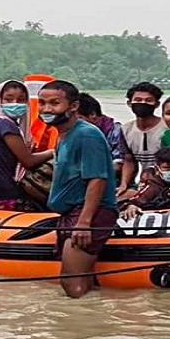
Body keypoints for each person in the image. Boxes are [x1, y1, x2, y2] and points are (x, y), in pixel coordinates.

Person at [39, 80, 117, 298]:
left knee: (71, 283)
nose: (47, 109)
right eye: (42, 103)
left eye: (55, 103)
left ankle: (78, 328)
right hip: (71, 212)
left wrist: (84, 222)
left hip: (87, 212)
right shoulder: (63, 135)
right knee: (82, 281)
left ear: (73, 106)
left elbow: (97, 179)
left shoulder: (86, 134)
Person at [0, 80, 53, 210]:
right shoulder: (4, 125)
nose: (15, 104)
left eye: (21, 100)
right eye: (8, 100)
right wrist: (53, 151)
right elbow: (28, 161)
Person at [118, 82, 167, 196]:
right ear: (129, 103)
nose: (143, 103)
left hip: (165, 180)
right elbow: (129, 161)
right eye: (138, 100)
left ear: (157, 104)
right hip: (143, 182)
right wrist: (124, 184)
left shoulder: (167, 128)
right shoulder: (126, 129)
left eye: (149, 100)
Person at [119, 147, 170, 219]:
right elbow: (138, 200)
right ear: (157, 169)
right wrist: (132, 206)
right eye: (167, 168)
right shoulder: (154, 185)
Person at [78, 92, 123, 172]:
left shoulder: (117, 132)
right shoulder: (70, 131)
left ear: (92, 114)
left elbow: (120, 163)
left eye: (79, 118)